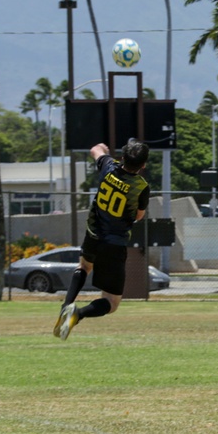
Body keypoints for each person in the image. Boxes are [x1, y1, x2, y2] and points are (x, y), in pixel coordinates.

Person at [53, 139, 150, 340]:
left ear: (122, 157)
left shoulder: (108, 166)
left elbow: (95, 149)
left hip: (94, 232)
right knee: (111, 302)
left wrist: (104, 150)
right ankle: (77, 314)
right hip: (114, 243)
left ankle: (65, 306)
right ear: (143, 165)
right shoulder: (141, 186)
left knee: (83, 267)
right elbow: (139, 216)